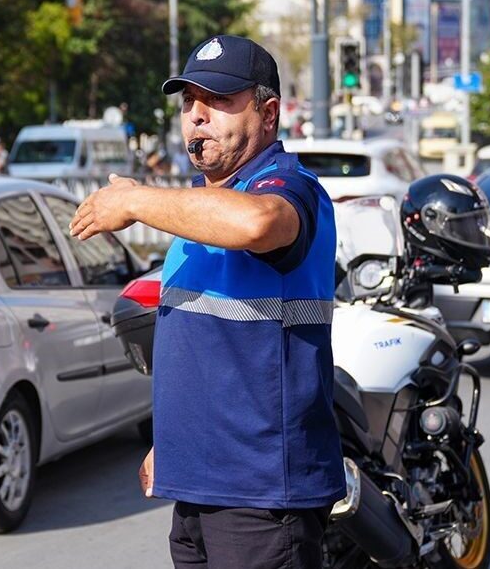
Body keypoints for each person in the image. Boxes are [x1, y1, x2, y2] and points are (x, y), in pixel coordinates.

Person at [70, 35, 344, 569]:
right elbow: (204, 345)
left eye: (218, 100)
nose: (197, 115)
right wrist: (170, 443)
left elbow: (258, 222)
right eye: (188, 102)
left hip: (262, 494)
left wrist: (133, 199)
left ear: (268, 114)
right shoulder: (199, 208)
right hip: (200, 485)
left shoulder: (288, 186)